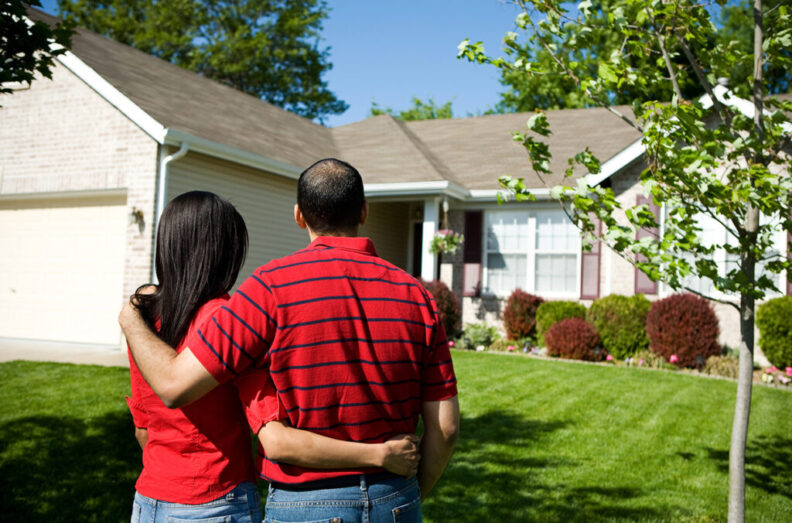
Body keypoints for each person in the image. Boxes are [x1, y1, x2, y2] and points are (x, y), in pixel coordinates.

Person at [120, 159, 460, 522]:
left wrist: (129, 316)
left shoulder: (269, 288)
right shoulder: (417, 296)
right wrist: (406, 495)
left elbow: (171, 388)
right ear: (363, 211)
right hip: (394, 495)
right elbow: (446, 427)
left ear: (299, 215)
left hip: (304, 501)